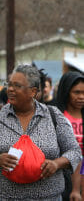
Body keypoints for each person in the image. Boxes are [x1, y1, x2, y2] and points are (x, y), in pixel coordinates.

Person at [0, 64, 82, 200]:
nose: (10, 89)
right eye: (9, 84)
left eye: (17, 86)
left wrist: (57, 163)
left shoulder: (53, 116)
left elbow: (75, 152)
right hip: (4, 196)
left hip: (48, 197)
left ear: (33, 92)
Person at [56, 71, 84, 201]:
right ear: (67, 92)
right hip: (62, 176)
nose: (81, 97)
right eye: (76, 92)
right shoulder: (57, 117)